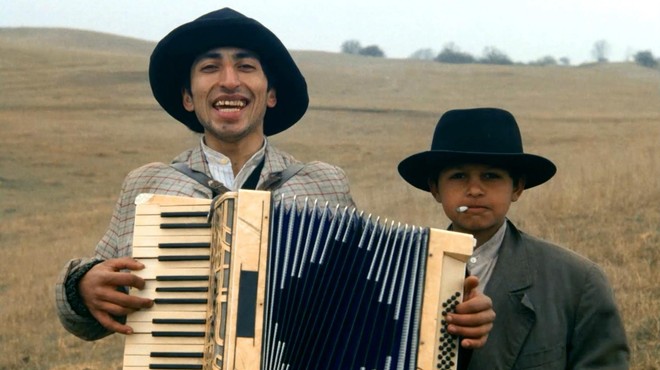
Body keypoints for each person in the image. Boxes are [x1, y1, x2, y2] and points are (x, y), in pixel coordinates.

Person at [54, 7, 494, 354]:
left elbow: (373, 299)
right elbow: (86, 320)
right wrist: (82, 289)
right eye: (210, 68)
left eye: (246, 67)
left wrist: (452, 309)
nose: (229, 80)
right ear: (188, 97)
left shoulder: (322, 183)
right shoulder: (149, 184)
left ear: (271, 93)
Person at [398, 107, 630, 369]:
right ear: (435, 188)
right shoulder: (400, 275)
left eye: (491, 176)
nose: (474, 190)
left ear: (517, 187)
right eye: (459, 176)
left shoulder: (577, 281)